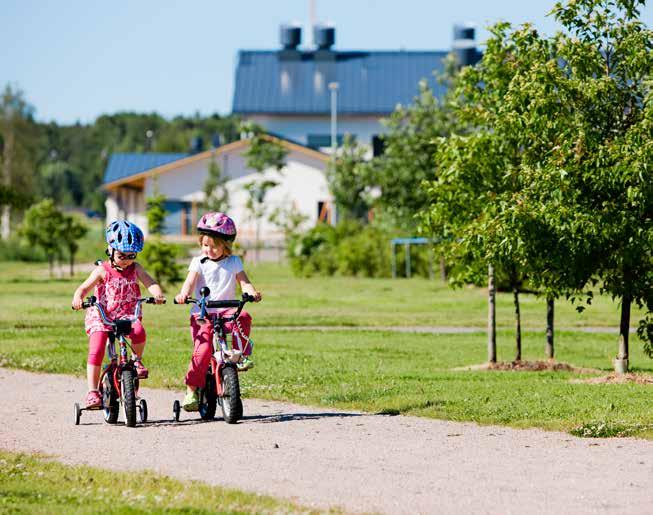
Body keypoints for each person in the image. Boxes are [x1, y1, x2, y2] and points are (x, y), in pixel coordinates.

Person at [72, 220, 165, 408]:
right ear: (111, 250)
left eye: (132, 255)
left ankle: (136, 361)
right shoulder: (102, 271)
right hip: (102, 316)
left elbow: (150, 281)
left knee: (139, 332)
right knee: (97, 348)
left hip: (127, 315)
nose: (127, 260)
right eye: (122, 255)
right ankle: (92, 391)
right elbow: (83, 288)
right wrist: (78, 298)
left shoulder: (136, 268)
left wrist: (157, 293)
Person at [174, 212, 262, 412]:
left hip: (227, 311)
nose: (209, 250)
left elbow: (244, 282)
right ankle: (191, 390)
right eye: (205, 245)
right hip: (203, 314)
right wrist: (183, 294)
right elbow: (189, 282)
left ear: (226, 245)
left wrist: (251, 292)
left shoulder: (234, 262)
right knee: (202, 351)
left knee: (244, 316)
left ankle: (241, 355)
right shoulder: (198, 262)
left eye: (214, 246)